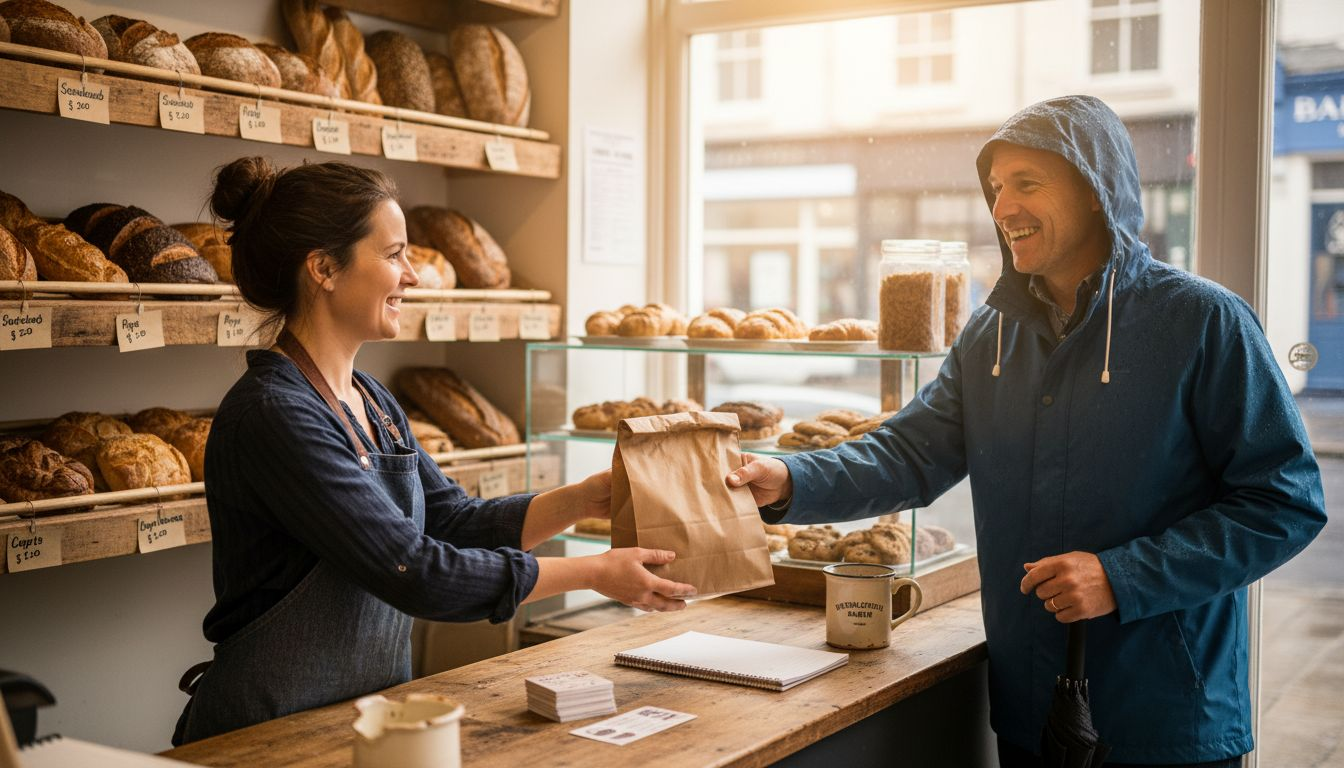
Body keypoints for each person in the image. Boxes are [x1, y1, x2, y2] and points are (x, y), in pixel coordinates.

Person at [727, 95, 1326, 766]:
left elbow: (1285, 503)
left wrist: (1123, 576)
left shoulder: (1204, 322)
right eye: (995, 188)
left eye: (1027, 183)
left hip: (1169, 719)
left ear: (1096, 189)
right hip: (1029, 708)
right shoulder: (992, 334)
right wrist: (787, 478)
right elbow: (909, 451)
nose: (1002, 207)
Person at [172, 157, 696, 745]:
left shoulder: (371, 399)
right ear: (323, 268)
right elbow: (416, 571)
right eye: (394, 254)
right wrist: (593, 573)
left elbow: (452, 522)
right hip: (268, 732)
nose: (412, 276)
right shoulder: (276, 413)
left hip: (366, 719)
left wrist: (584, 498)